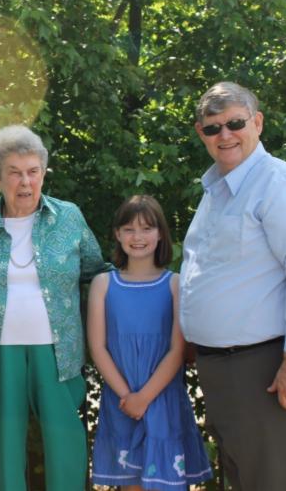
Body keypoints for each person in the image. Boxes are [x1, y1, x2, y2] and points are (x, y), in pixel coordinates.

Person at [180, 81, 286, 490]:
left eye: (235, 123)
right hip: (229, 367)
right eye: (213, 128)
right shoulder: (216, 191)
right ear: (201, 133)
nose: (225, 135)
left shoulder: (281, 184)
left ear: (258, 123)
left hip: (273, 365)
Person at [0, 124, 109, 491]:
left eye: (33, 172)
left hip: (57, 352)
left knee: (65, 447)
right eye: (14, 173)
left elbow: (97, 272)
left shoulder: (68, 218)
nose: (25, 182)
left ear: (42, 173)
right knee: (5, 451)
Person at [88, 195, 212, 490]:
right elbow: (97, 347)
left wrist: (144, 398)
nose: (138, 237)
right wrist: (128, 397)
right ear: (118, 235)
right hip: (121, 401)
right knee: (131, 484)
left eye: (147, 228)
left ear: (160, 234)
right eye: (129, 229)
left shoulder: (175, 283)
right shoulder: (103, 284)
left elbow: (177, 350)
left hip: (162, 399)